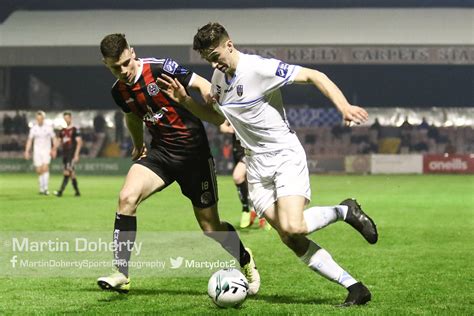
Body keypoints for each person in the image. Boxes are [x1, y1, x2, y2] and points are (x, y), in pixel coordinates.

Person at [161, 23, 378, 307]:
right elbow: (218, 120)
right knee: (290, 238)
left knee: (294, 225)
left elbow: (315, 75)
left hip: (283, 155)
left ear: (229, 44)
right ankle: (354, 288)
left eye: (215, 54)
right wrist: (184, 101)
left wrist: (344, 106)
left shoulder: (259, 68)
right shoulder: (217, 77)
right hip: (255, 166)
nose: (213, 62)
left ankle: (344, 210)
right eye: (208, 59)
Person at [97, 33, 260, 295]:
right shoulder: (119, 91)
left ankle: (245, 259)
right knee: (127, 198)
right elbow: (132, 117)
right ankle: (121, 273)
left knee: (211, 228)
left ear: (132, 52)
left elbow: (200, 83)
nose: (123, 71)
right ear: (106, 64)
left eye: (126, 62)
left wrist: (211, 97)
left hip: (195, 156)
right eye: (116, 67)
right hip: (162, 155)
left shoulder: (161, 68)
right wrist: (138, 144)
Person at [220, 120, 270, 230]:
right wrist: (230, 129)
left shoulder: (251, 111)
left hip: (251, 150)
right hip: (237, 152)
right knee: (252, 184)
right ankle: (259, 213)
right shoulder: (232, 110)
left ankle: (247, 209)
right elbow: (222, 126)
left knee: (238, 176)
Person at [24, 111, 56, 195]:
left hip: (46, 150)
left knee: (45, 168)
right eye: (38, 119)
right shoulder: (33, 129)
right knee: (39, 170)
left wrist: (54, 149)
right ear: (36, 119)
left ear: (43, 119)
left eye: (41, 119)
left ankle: (45, 188)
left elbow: (54, 139)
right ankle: (41, 188)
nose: (39, 120)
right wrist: (27, 151)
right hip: (37, 151)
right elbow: (30, 140)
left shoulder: (49, 128)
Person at [53, 112, 82, 197]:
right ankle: (77, 192)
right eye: (65, 118)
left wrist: (76, 154)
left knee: (67, 172)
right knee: (72, 173)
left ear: (71, 118)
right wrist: (54, 149)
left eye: (67, 118)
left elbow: (79, 142)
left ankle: (60, 191)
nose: (66, 119)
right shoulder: (62, 131)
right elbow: (58, 141)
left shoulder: (75, 130)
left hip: (71, 154)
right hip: (65, 154)